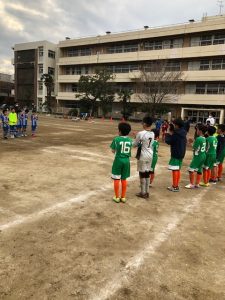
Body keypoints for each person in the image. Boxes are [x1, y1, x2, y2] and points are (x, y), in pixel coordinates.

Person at [110, 122, 132, 203]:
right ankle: (123, 197)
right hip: (126, 161)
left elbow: (113, 150)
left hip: (118, 160)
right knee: (124, 179)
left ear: (119, 131)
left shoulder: (116, 139)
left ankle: (116, 197)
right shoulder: (130, 140)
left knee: (116, 178)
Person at [133, 117, 154, 199]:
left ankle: (143, 192)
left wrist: (135, 137)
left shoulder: (141, 133)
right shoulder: (152, 133)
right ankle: (147, 192)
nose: (142, 124)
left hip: (143, 155)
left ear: (145, 124)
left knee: (142, 173)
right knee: (147, 173)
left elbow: (135, 144)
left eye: (143, 122)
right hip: (150, 154)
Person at [165, 118, 187, 192]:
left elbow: (168, 141)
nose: (173, 125)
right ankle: (176, 185)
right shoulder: (183, 132)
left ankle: (175, 186)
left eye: (174, 124)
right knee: (177, 169)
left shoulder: (176, 133)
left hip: (176, 153)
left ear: (177, 125)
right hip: (181, 153)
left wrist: (168, 133)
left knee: (175, 170)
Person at [185, 124, 207, 189]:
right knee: (199, 170)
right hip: (203, 155)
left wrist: (190, 142)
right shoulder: (204, 138)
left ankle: (191, 184)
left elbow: (195, 148)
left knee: (191, 170)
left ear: (200, 131)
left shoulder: (198, 138)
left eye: (197, 129)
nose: (196, 131)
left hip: (198, 156)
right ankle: (197, 184)